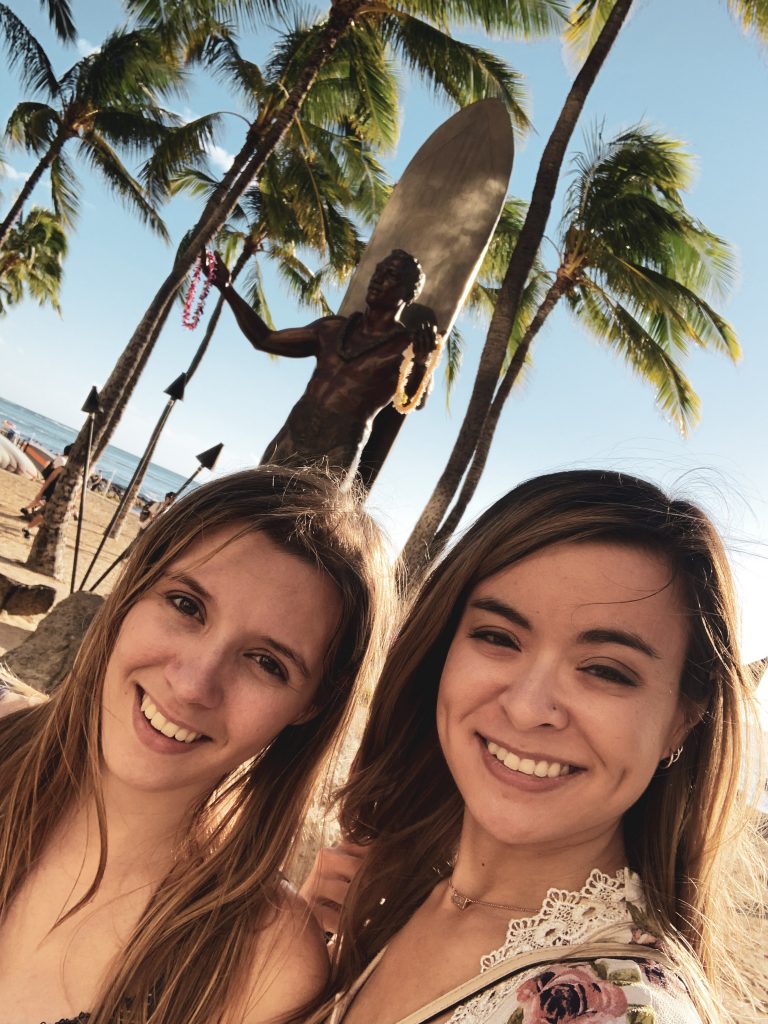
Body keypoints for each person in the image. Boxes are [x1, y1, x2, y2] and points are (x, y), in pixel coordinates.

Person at [313, 469, 767, 1024]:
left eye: (605, 670)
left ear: (682, 722)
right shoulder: (389, 895)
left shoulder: (623, 1010)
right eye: (498, 637)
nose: (528, 707)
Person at [0, 464, 395, 1024]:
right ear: (134, 590)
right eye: (187, 606)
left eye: (267, 663)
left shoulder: (262, 965)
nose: (192, 685)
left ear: (310, 708)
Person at [211, 249, 441, 483]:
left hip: (336, 453)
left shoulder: (404, 347)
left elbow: (416, 401)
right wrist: (226, 288)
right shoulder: (332, 329)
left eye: (390, 274)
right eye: (378, 271)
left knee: (306, 518)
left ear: (408, 292)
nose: (378, 278)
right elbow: (265, 339)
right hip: (290, 439)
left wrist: (421, 363)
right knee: (254, 506)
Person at [20, 443, 73, 535]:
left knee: (44, 510)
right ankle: (28, 521)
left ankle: (28, 522)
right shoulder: (63, 462)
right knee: (44, 508)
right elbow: (52, 473)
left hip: (55, 490)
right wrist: (42, 491)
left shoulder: (66, 463)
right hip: (52, 489)